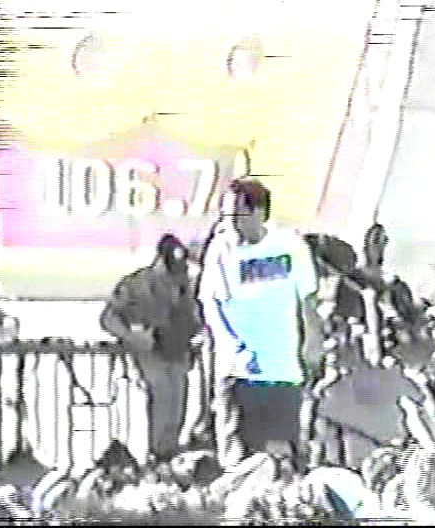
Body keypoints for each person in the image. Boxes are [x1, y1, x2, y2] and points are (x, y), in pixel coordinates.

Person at [197, 178, 319, 470]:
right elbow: (211, 305)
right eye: (225, 215)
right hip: (239, 372)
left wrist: (312, 342)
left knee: (282, 458)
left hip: (283, 371)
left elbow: (307, 300)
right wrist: (234, 346)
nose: (230, 223)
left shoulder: (290, 246)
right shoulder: (221, 250)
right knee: (240, 461)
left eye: (236, 215)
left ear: (259, 213)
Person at [100, 234, 204, 462]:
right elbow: (108, 318)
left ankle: (169, 452)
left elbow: (198, 318)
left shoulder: (187, 284)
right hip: (150, 350)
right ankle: (158, 453)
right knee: (162, 395)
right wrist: (131, 337)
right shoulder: (136, 284)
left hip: (178, 352)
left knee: (177, 404)